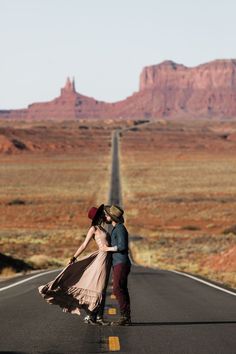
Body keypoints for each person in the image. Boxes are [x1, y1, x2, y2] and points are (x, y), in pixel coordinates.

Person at [38, 204, 113, 325]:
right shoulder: (93, 229)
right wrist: (74, 257)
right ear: (98, 216)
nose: (104, 215)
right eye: (102, 214)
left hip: (106, 259)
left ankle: (95, 316)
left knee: (102, 288)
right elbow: (84, 245)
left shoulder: (103, 228)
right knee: (99, 288)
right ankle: (94, 316)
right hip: (101, 259)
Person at [101, 205, 132, 326]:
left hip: (121, 262)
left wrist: (107, 248)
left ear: (112, 217)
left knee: (117, 289)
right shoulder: (116, 228)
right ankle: (126, 316)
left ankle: (125, 316)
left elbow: (122, 246)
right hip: (119, 262)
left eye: (107, 215)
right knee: (122, 289)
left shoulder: (120, 229)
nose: (106, 216)